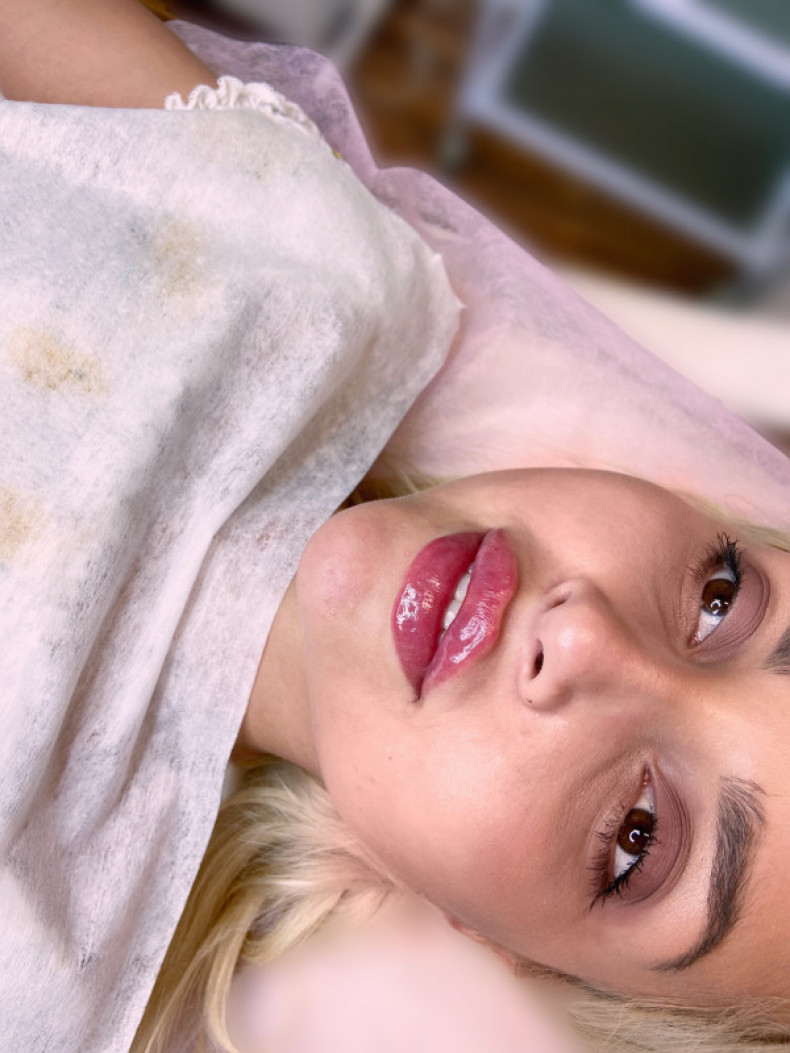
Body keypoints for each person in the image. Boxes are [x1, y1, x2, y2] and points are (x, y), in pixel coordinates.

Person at [2, 3, 790, 1052]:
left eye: (636, 838)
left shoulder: (41, 957)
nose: (582, 632)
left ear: (496, 945)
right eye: (722, 599)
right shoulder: (329, 264)